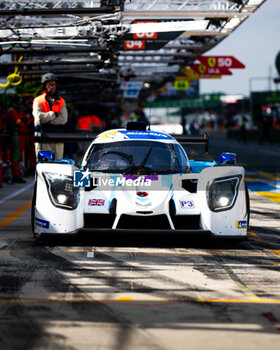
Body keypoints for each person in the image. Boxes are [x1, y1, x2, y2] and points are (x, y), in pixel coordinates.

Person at [32, 72, 68, 159]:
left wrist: (47, 120)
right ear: (45, 86)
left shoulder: (61, 101)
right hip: (43, 138)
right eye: (49, 85)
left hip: (58, 137)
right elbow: (39, 118)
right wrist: (54, 114)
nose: (52, 87)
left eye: (54, 84)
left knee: (58, 163)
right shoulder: (38, 101)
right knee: (45, 164)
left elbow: (63, 119)